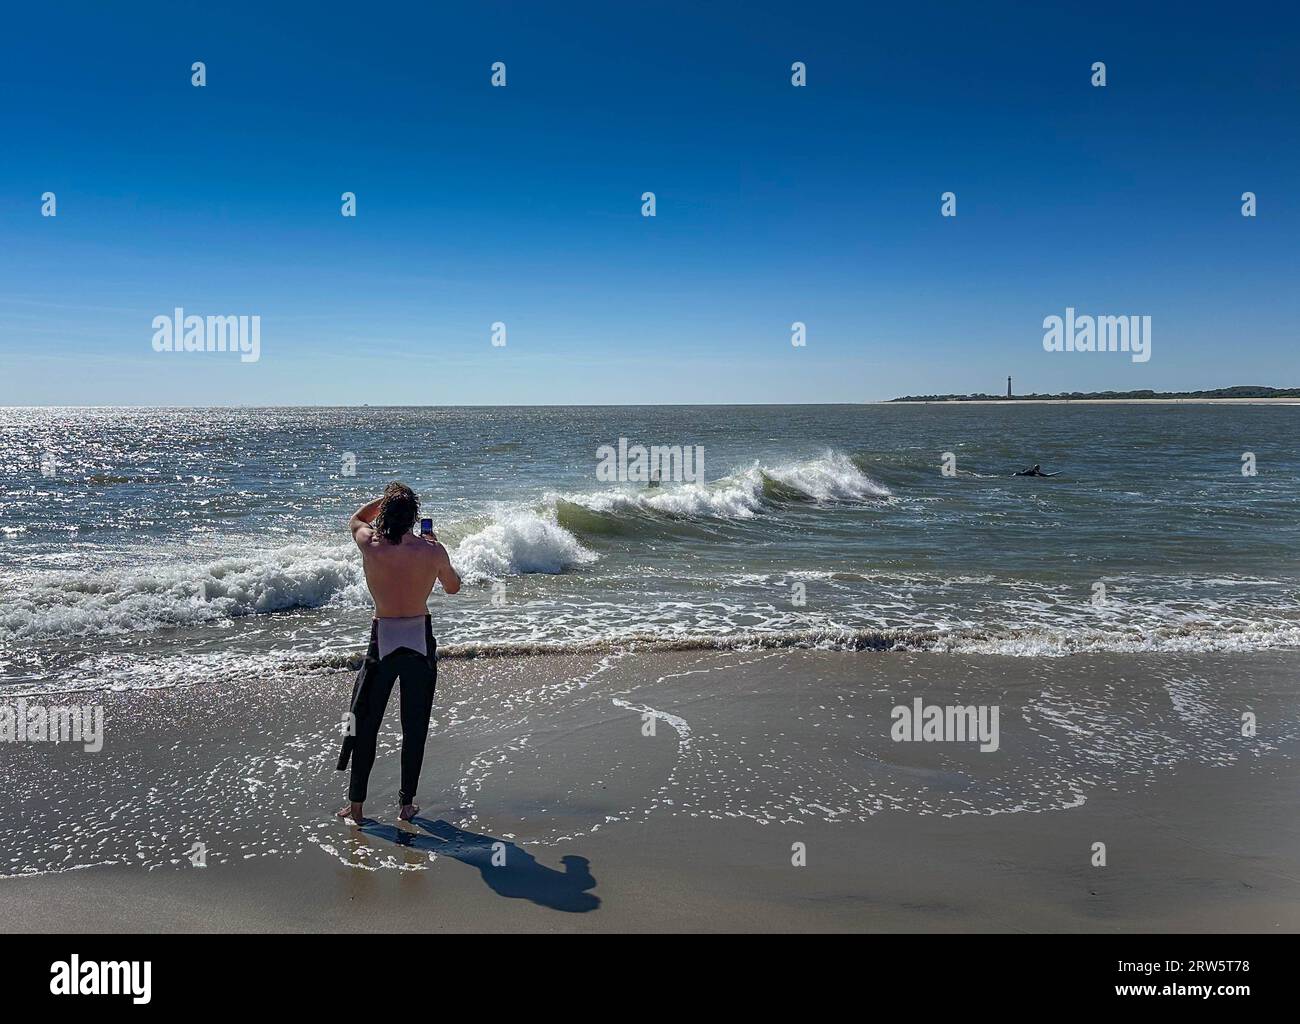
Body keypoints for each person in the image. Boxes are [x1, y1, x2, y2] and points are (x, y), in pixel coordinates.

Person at [336, 482, 460, 825]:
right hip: (419, 641)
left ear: (386, 514)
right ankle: (406, 806)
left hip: (384, 641)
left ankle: (357, 808)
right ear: (414, 518)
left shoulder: (370, 544)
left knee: (365, 725)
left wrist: (387, 501)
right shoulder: (431, 550)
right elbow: (452, 587)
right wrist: (437, 551)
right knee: (414, 726)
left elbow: (357, 518)